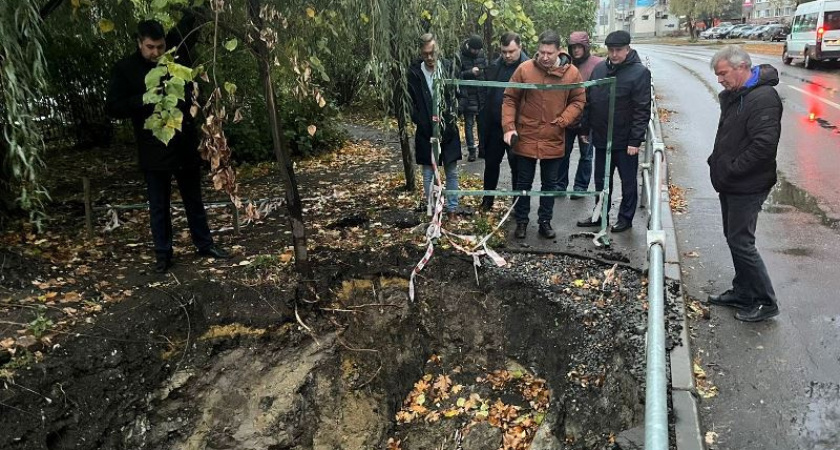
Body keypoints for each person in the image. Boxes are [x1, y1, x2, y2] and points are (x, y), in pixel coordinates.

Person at [106, 16, 229, 274]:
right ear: (139, 43)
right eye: (150, 47)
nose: (156, 52)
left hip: (184, 142)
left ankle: (205, 244)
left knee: (194, 199)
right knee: (158, 205)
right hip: (153, 148)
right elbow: (113, 108)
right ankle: (163, 255)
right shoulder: (125, 69)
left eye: (160, 46)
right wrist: (142, 99)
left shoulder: (176, 51)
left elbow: (194, 17)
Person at [706, 45, 782, 322]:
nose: (720, 79)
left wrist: (733, 169)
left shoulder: (763, 97)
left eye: (723, 73)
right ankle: (743, 292)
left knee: (741, 242)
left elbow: (764, 145)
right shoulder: (739, 94)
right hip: (732, 180)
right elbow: (732, 134)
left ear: (742, 67)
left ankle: (765, 301)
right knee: (734, 238)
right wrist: (718, 160)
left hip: (748, 183)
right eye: (717, 74)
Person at [502, 30, 585, 239]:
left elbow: (578, 100)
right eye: (541, 53)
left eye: (549, 53)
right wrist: (509, 127)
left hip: (554, 135)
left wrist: (564, 119)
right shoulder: (525, 69)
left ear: (559, 51)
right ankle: (521, 221)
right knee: (523, 183)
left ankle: (545, 222)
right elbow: (510, 98)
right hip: (526, 135)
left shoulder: (572, 73)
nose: (545, 57)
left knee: (550, 185)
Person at [577, 30, 651, 233]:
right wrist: (585, 127)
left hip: (626, 141)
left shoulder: (639, 73)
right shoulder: (600, 69)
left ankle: (625, 218)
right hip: (601, 138)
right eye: (611, 50)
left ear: (628, 48)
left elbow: (642, 109)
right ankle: (599, 214)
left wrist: (635, 140)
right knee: (601, 180)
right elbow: (589, 100)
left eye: (619, 50)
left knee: (627, 182)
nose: (614, 54)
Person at [407, 33, 462, 220]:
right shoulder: (414, 73)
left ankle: (452, 210)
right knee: (428, 174)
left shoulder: (448, 68)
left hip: (448, 130)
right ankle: (432, 210)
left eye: (432, 53)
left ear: (438, 50)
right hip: (425, 131)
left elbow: (458, 95)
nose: (430, 58)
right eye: (425, 54)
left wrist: (451, 117)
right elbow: (410, 103)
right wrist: (422, 121)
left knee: (451, 170)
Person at [479, 32, 528, 212]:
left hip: (517, 127)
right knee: (491, 164)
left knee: (517, 166)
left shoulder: (528, 67)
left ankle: (517, 205)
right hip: (494, 127)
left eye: (511, 51)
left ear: (520, 47)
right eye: (504, 51)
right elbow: (488, 94)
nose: (507, 55)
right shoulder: (495, 66)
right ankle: (487, 200)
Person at [557, 31, 603, 199]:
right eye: (573, 47)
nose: (576, 50)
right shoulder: (565, 63)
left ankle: (580, 187)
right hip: (568, 116)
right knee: (563, 153)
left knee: (586, 155)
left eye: (579, 47)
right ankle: (560, 185)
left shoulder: (597, 64)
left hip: (588, 118)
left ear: (585, 47)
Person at [457, 35, 487, 162]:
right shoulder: (460, 56)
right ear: (469, 47)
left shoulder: (481, 54)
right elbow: (456, 74)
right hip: (467, 95)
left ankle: (483, 149)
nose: (476, 52)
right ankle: (471, 151)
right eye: (474, 50)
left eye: (478, 50)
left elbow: (486, 69)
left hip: (481, 94)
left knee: (482, 124)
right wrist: (469, 72)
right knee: (469, 124)